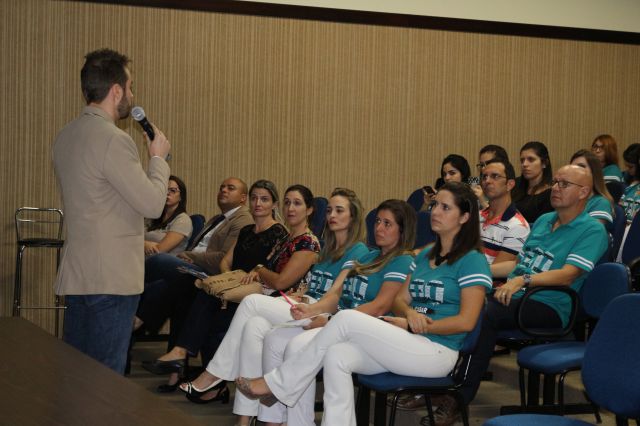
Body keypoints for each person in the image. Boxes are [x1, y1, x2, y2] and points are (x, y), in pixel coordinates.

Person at [234, 182, 492, 426]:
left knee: (347, 318)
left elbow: (467, 321)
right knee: (337, 356)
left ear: (464, 217)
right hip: (409, 339)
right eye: (435, 205)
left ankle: (277, 384)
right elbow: (400, 300)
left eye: (445, 207)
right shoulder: (425, 255)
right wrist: (409, 314)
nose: (435, 212)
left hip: (438, 351)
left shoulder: (473, 260)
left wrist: (417, 325)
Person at [458, 165, 609, 424]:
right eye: (556, 182)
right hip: (518, 296)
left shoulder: (592, 230)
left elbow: (568, 275)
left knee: (484, 312)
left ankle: (458, 397)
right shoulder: (543, 221)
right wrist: (474, 270)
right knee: (461, 299)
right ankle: (440, 382)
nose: (555, 188)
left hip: (550, 304)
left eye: (564, 184)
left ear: (584, 192)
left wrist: (522, 280)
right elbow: (516, 265)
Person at [52, 48, 171, 374]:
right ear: (116, 90)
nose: (132, 95)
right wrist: (158, 159)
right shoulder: (114, 140)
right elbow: (152, 203)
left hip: (78, 275)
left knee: (76, 374)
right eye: (130, 87)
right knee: (105, 380)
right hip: (112, 279)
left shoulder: (65, 136)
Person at [173, 186, 326, 423]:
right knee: (252, 326)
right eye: (287, 202)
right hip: (278, 303)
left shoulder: (308, 243)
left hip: (299, 306)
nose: (290, 208)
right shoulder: (286, 239)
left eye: (297, 203)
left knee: (251, 303)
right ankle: (245, 418)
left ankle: (214, 373)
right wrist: (260, 272)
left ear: (309, 210)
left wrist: (261, 270)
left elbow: (282, 281)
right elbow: (267, 274)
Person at [258, 199, 416, 426]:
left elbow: (380, 306)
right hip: (340, 321)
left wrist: (330, 320)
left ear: (403, 229)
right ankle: (278, 421)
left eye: (387, 224)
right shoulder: (368, 257)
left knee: (297, 346)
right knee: (275, 338)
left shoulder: (402, 260)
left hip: (365, 330)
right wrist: (312, 310)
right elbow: (336, 296)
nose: (379, 228)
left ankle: (291, 411)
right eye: (378, 221)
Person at [134, 177, 254, 349]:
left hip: (210, 274)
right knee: (170, 286)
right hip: (193, 267)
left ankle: (139, 320)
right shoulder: (217, 219)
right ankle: (169, 353)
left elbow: (224, 258)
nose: (223, 190)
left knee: (158, 260)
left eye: (230, 188)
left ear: (243, 198)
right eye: (222, 187)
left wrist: (190, 256)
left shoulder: (243, 220)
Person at [144, 175, 192, 255]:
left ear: (181, 197)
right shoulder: (154, 216)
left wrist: (142, 244)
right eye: (165, 190)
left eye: (172, 190)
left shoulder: (183, 220)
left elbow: (159, 250)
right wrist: (144, 244)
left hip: (161, 261)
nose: (167, 193)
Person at [569, 150, 615, 227]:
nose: (575, 171)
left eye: (581, 167)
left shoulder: (601, 203)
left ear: (594, 172)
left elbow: (592, 232)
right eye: (572, 168)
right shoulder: (569, 199)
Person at [511, 141, 553, 224]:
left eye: (531, 159)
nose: (524, 164)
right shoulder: (515, 184)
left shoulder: (551, 193)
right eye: (522, 160)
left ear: (544, 163)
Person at [473, 145, 511, 210]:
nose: (483, 168)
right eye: (482, 165)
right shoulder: (477, 183)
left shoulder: (508, 185)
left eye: (488, 164)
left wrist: (483, 201)